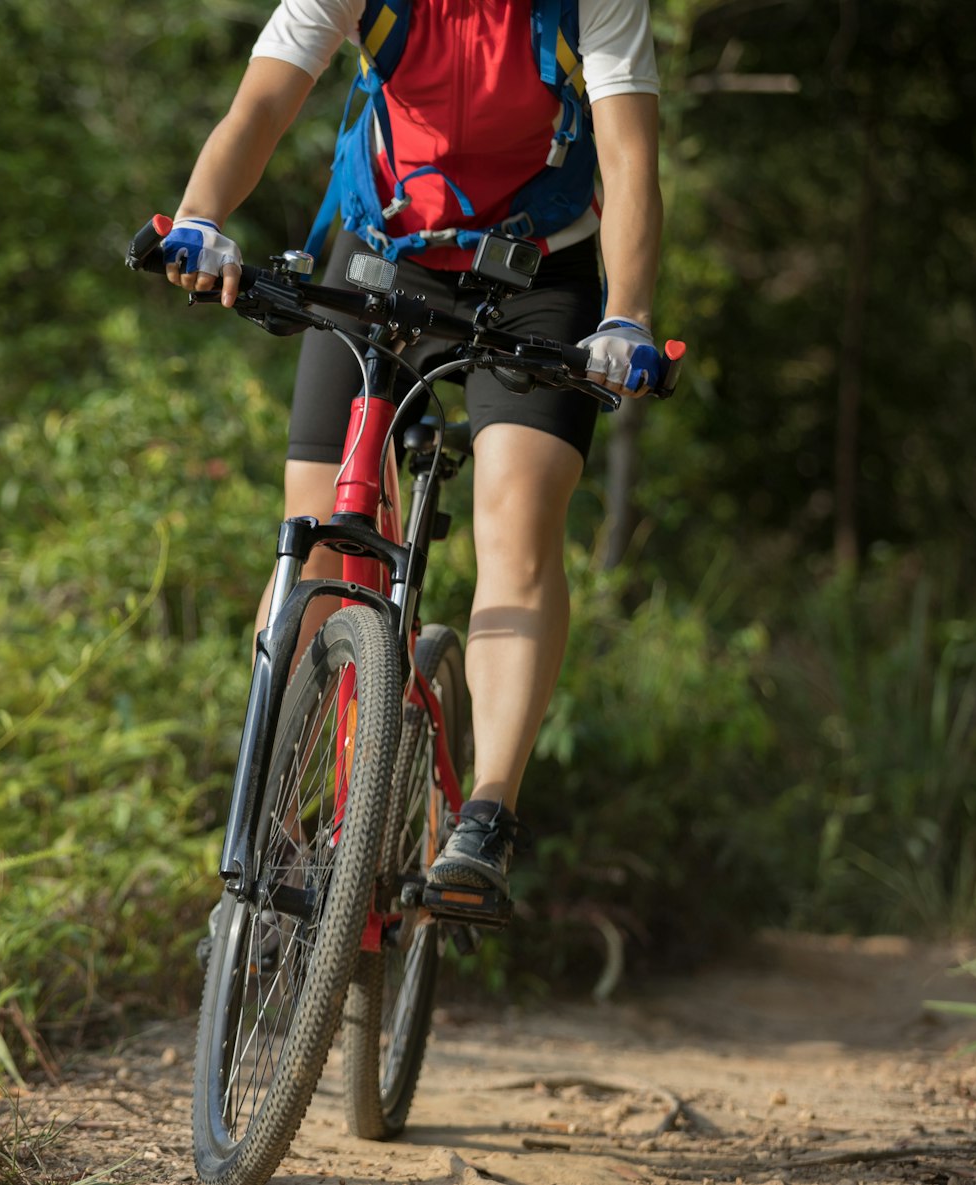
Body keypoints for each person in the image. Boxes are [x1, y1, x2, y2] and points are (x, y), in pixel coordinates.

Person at [162, 0, 662, 918]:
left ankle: (484, 816)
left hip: (536, 276)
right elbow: (262, 106)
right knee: (311, 538)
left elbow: (629, 155)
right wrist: (199, 217)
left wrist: (625, 315)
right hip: (382, 250)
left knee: (516, 518)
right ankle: (266, 829)